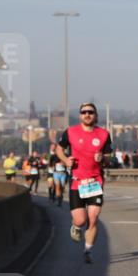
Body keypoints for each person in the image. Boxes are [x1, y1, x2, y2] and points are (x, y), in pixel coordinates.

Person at [56, 103, 112, 264]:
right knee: (81, 220)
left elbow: (108, 156)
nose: (87, 114)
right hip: (77, 182)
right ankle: (76, 226)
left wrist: (103, 159)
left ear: (95, 115)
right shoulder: (71, 132)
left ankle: (88, 250)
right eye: (84, 112)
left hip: (95, 181)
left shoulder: (103, 134)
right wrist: (66, 160)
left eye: (90, 112)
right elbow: (59, 149)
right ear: (80, 115)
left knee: (93, 218)